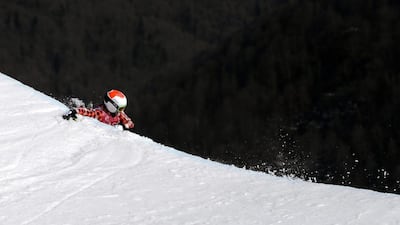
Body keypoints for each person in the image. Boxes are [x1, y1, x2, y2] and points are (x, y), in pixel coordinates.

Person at [63, 89, 134, 130]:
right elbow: (88, 113)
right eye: (121, 108)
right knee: (87, 108)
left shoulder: (118, 113)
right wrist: (75, 111)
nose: (122, 111)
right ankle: (77, 103)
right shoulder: (100, 113)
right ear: (112, 105)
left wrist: (127, 123)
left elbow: (128, 122)